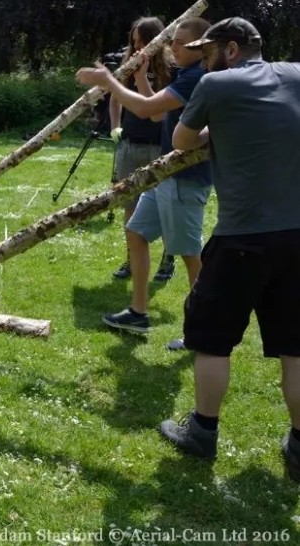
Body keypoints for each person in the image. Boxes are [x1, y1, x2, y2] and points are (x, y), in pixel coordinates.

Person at [158, 18, 300, 481]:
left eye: (209, 49)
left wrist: (216, 132)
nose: (203, 57)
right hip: (297, 235)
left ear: (232, 49)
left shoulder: (217, 85)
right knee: (296, 346)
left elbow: (181, 142)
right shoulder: (297, 74)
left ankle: (202, 431)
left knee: (212, 339)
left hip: (243, 236)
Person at [76, 17, 212, 346]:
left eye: (180, 43)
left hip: (185, 178)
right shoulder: (184, 73)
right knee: (136, 233)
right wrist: (138, 78)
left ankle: (204, 329)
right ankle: (138, 313)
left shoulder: (198, 77)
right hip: (165, 172)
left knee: (190, 255)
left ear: (200, 48)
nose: (173, 47)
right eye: (173, 41)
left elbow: (147, 107)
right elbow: (154, 114)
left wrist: (109, 80)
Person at [107, 18, 172, 282]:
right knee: (130, 205)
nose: (136, 46)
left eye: (142, 40)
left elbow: (156, 111)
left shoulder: (171, 68)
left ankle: (168, 260)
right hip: (131, 144)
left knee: (167, 205)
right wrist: (115, 127)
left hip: (161, 145)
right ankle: (131, 260)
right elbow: (115, 97)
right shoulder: (129, 63)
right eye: (133, 40)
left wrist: (143, 77)